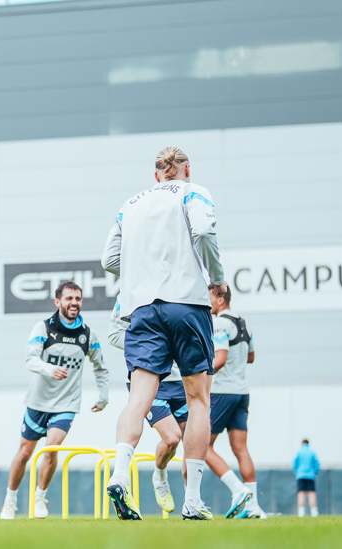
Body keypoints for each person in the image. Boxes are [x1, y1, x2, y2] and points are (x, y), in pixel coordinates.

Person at [101, 146, 226, 521]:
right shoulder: (194, 191)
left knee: (138, 398)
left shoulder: (131, 203)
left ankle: (121, 474)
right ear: (186, 169)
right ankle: (191, 500)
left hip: (141, 307)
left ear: (157, 175)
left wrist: (142, 268)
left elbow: (108, 260)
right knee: (198, 399)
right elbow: (203, 230)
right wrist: (216, 277)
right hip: (186, 303)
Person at [0, 281, 108, 520]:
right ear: (57, 302)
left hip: (67, 404)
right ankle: (10, 500)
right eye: (69, 298)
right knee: (25, 453)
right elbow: (30, 359)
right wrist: (49, 369)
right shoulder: (43, 328)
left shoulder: (88, 335)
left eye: (78, 299)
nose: (74, 303)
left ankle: (40, 496)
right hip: (37, 402)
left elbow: (100, 368)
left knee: (51, 449)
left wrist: (103, 395)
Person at [108, 300, 187, 515]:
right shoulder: (127, 293)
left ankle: (193, 500)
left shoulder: (177, 289)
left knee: (184, 442)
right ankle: (159, 478)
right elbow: (114, 335)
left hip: (181, 382)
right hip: (150, 377)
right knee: (172, 437)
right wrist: (152, 347)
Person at [204, 285, 263, 519]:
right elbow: (251, 357)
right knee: (241, 449)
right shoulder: (242, 322)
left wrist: (200, 374)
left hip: (222, 392)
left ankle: (238, 490)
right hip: (241, 392)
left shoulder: (219, 322)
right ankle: (253, 507)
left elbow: (220, 358)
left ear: (220, 297)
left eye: (208, 298)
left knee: (201, 446)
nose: (206, 303)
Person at [294, 439, 320, 517]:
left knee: (301, 493)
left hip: (300, 475)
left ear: (302, 443)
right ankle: (314, 512)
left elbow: (295, 465)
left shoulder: (299, 452)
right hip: (311, 475)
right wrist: (313, 473)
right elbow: (317, 465)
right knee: (311, 493)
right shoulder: (312, 452)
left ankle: (301, 512)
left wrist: (298, 473)